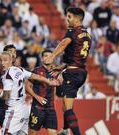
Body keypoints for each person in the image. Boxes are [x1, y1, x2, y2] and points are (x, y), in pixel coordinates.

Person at [45, 7, 91, 135]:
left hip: (73, 73)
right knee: (65, 106)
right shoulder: (87, 34)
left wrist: (52, 56)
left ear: (77, 19)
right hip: (80, 71)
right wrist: (62, 67)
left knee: (67, 107)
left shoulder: (73, 31)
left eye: (69, 16)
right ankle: (65, 130)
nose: (67, 19)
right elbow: (78, 57)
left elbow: (63, 43)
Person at [0, 51, 58, 135]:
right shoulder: (20, 70)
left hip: (14, 110)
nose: (2, 63)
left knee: (6, 133)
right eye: (1, 60)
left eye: (4, 60)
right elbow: (36, 77)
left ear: (11, 61)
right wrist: (48, 81)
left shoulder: (7, 76)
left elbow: (6, 96)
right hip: (24, 108)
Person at [27, 50, 58, 135]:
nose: (48, 58)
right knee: (32, 133)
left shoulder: (55, 72)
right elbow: (27, 87)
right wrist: (37, 97)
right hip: (37, 108)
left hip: (50, 109)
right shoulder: (36, 71)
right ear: (42, 59)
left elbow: (56, 86)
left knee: (53, 133)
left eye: (50, 56)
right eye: (46, 56)